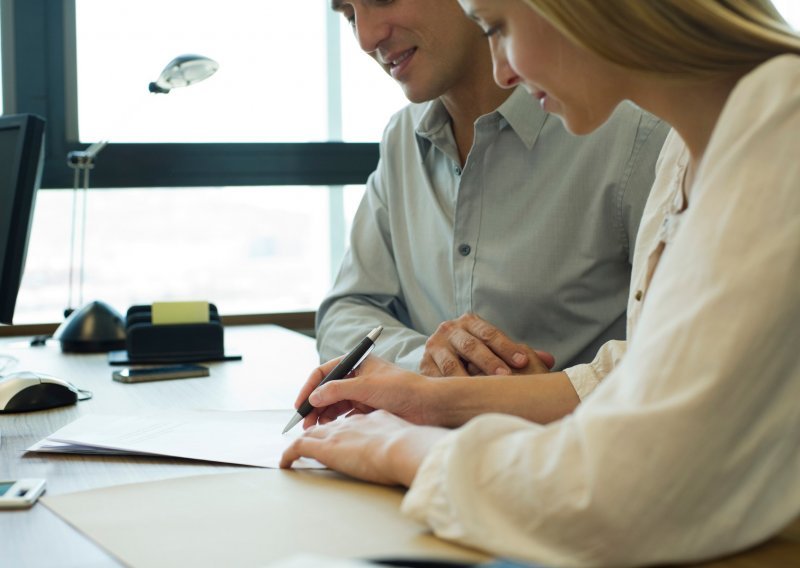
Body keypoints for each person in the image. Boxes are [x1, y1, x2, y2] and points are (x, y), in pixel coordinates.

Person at [282, 1, 800, 565]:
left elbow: (632, 490)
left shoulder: (776, 132)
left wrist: (411, 450)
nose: (501, 72)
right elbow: (644, 373)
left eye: (497, 27)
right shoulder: (690, 149)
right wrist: (433, 400)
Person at [318, 0, 668, 376]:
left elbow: (681, 354)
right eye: (350, 16)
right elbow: (345, 312)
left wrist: (530, 393)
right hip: (428, 435)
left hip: (582, 433)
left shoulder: (639, 133)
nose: (366, 38)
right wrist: (431, 361)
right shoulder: (401, 137)